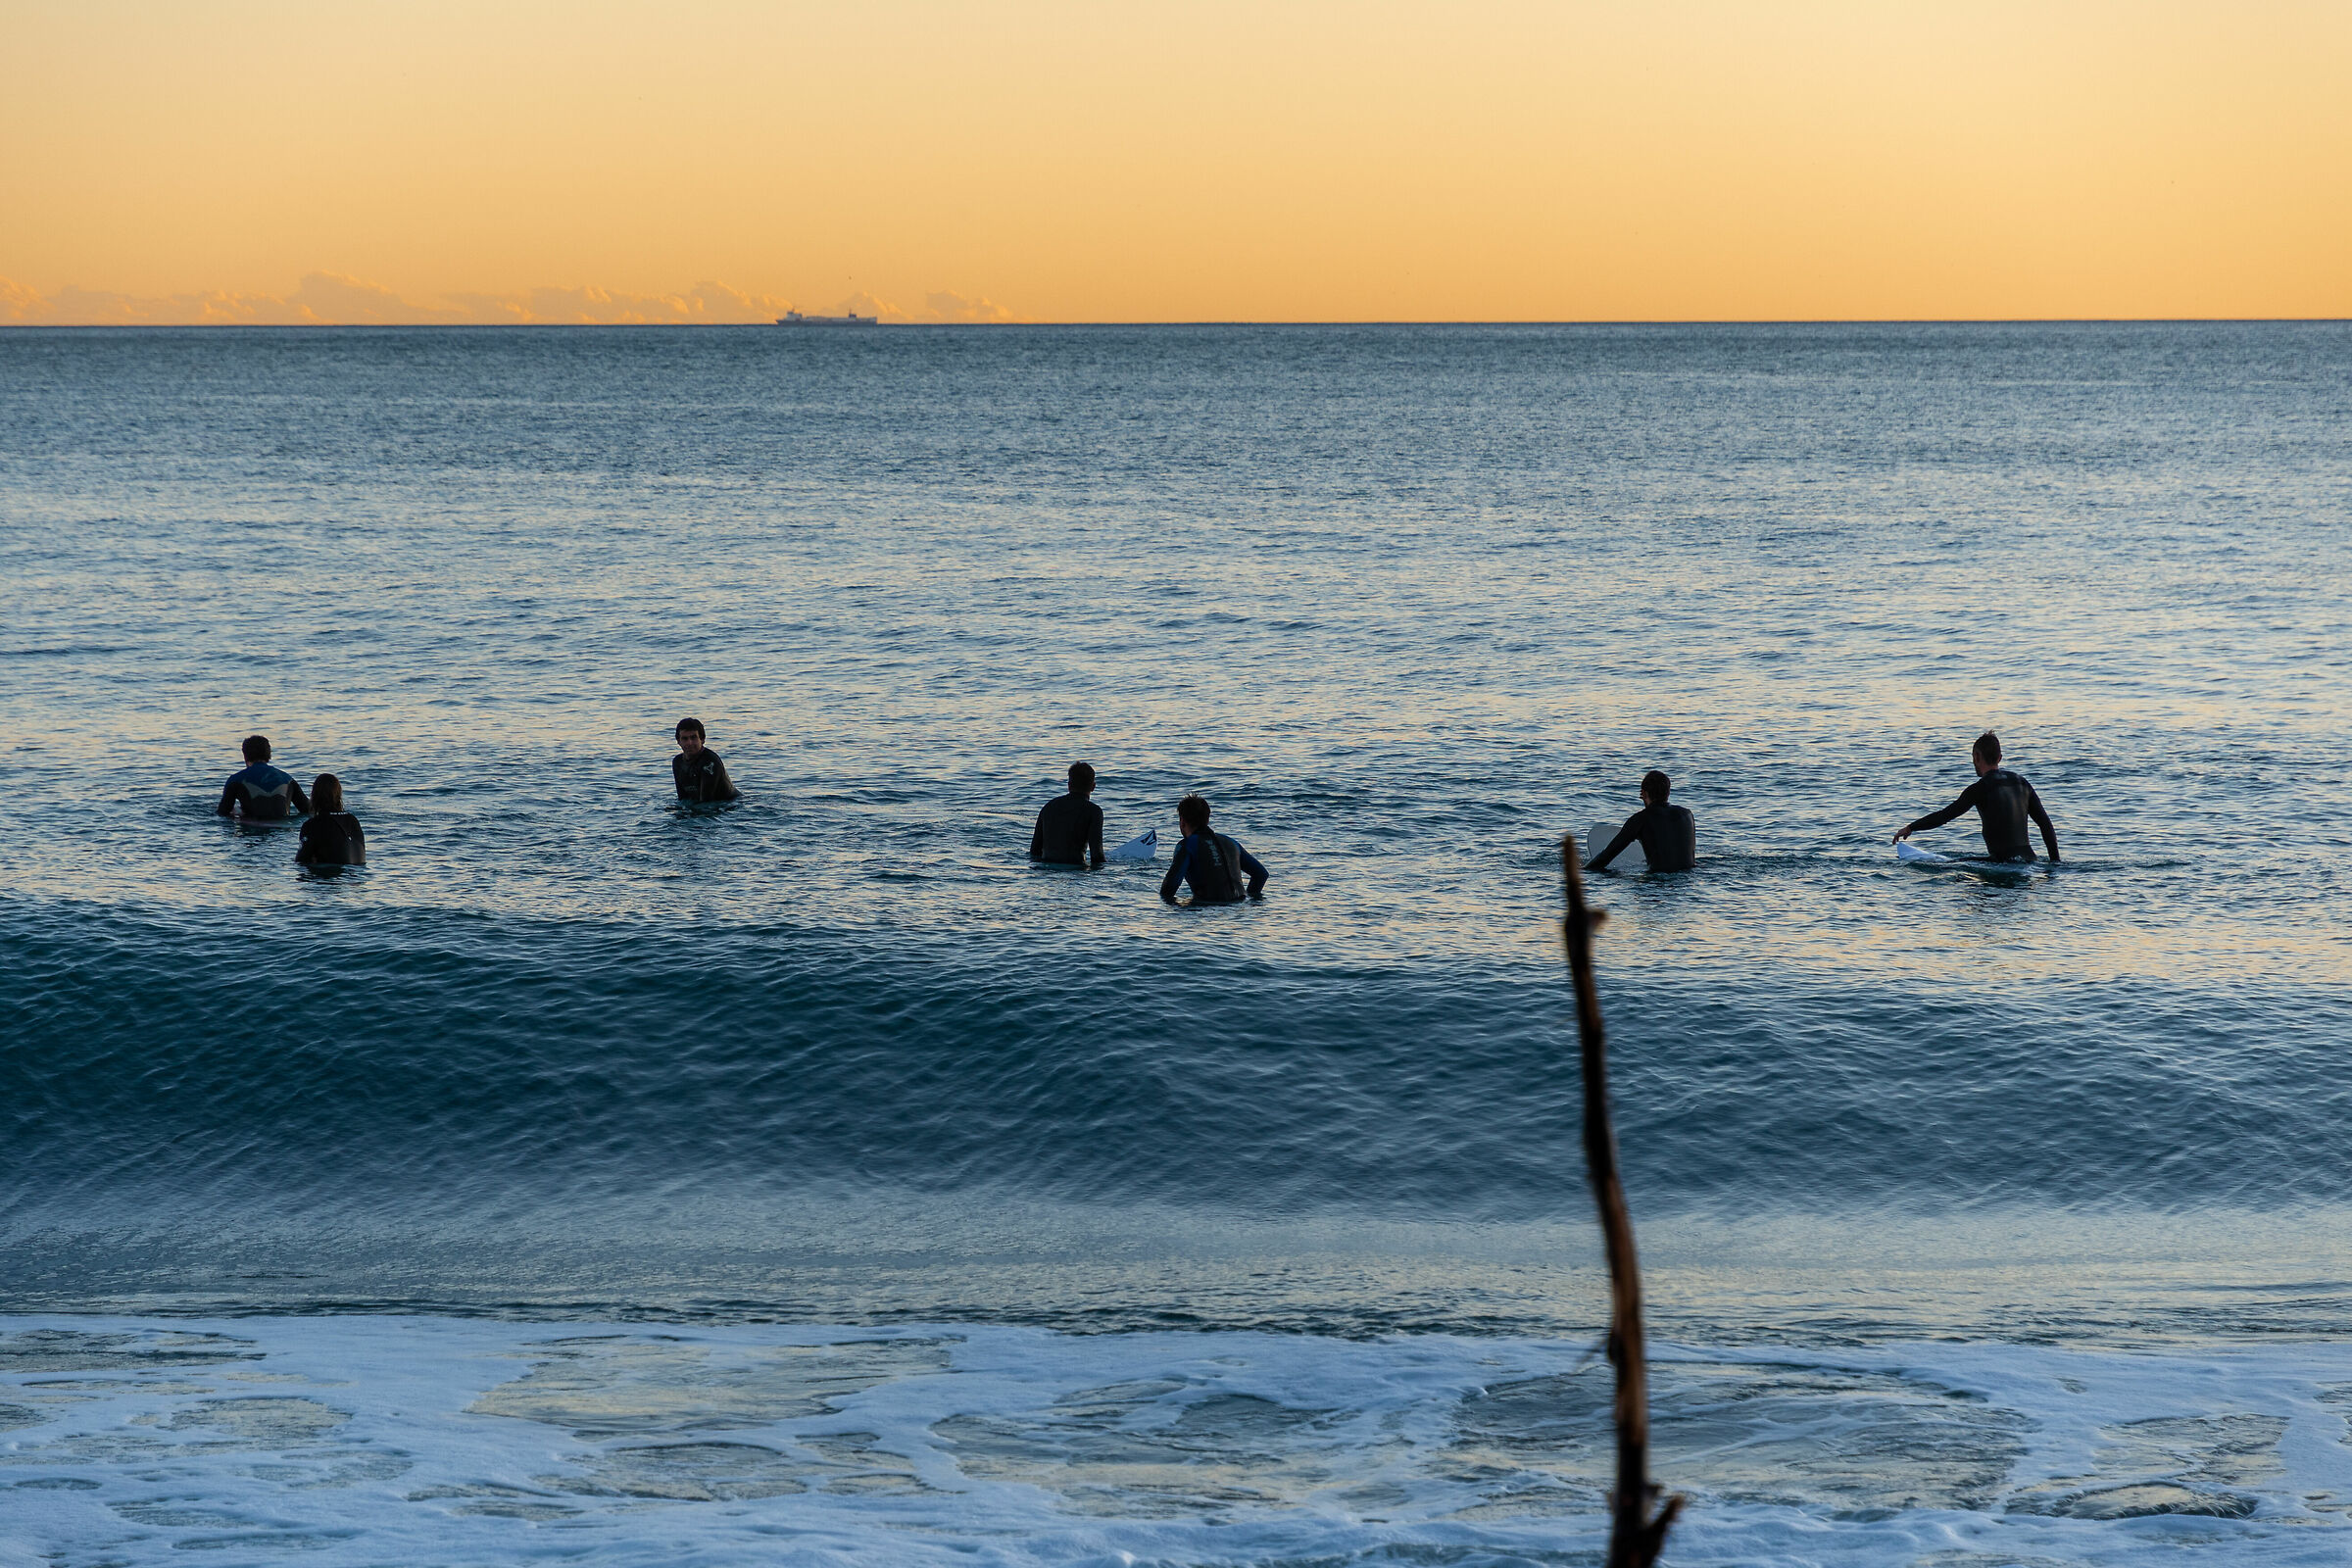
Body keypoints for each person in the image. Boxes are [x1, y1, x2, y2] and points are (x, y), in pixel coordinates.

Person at [1894, 731, 2060, 863]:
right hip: (2029, 859)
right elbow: (2045, 824)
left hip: (2002, 862)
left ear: (1977, 757)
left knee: (1953, 871)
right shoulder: (2022, 783)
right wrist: (2055, 862)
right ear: (2000, 758)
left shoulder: (1980, 788)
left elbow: (1944, 816)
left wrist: (1911, 827)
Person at [1159, 794, 1267, 905]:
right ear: (1207, 819)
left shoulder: (1187, 845)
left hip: (1208, 907)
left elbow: (1170, 887)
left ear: (1182, 822)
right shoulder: (1231, 842)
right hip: (1239, 905)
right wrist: (1249, 898)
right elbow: (1261, 874)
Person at [1587, 769, 1697, 873]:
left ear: (1643, 793)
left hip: (1657, 882)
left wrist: (1581, 871)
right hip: (1688, 879)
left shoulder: (1640, 819)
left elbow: (1605, 858)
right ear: (1668, 792)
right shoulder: (1687, 814)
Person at [1030, 762, 1106, 868]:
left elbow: (1034, 851)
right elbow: (1096, 855)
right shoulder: (1094, 811)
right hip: (1076, 869)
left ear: (1069, 785)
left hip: (1046, 870)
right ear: (1093, 787)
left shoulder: (1049, 806)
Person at [217, 735, 310, 820]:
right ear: (269, 754)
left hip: (252, 830)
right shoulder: (288, 779)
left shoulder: (235, 780)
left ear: (245, 756)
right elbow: (308, 810)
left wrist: (236, 815)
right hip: (282, 829)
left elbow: (222, 813)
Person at [295, 774, 367, 867]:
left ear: (314, 796)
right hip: (357, 877)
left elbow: (301, 862)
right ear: (339, 795)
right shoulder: (353, 821)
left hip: (330, 878)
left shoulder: (312, 825)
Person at [671, 717, 739, 804]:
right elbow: (682, 799)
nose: (689, 743)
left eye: (693, 737)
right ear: (678, 741)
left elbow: (706, 801)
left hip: (730, 804)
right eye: (685, 739)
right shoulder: (677, 762)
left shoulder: (710, 761)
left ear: (702, 739)